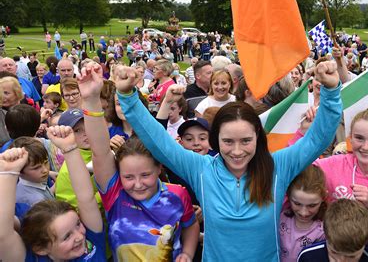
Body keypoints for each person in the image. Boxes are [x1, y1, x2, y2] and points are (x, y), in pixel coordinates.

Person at [113, 60, 342, 261]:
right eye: (228, 141)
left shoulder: (277, 167)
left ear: (258, 139)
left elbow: (318, 140)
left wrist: (331, 91)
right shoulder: (201, 169)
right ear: (215, 141)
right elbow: (158, 142)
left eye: (245, 141)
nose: (237, 151)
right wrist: (128, 97)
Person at [77, 63, 200, 261]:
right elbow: (100, 153)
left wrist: (187, 252)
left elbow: (191, 224)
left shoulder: (178, 194)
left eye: (145, 175)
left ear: (159, 168)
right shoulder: (115, 193)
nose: (137, 184)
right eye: (128, 176)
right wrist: (91, 99)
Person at [0, 126, 106, 261]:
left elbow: (86, 199)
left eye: (78, 224)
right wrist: (8, 173)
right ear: (41, 248)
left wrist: (70, 148)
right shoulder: (35, 259)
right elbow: (3, 234)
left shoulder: (91, 238)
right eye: (67, 236)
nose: (79, 236)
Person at [313, 107, 368, 207]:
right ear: (350, 138)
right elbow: (297, 167)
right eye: (359, 138)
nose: (365, 147)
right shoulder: (335, 165)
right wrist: (304, 132)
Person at [297, 199, 368, 262]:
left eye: (351, 257)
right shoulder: (309, 257)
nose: (341, 260)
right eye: (334, 252)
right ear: (326, 235)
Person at [279, 166, 327, 262]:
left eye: (312, 205)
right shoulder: (280, 217)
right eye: (297, 204)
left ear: (323, 197)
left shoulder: (325, 230)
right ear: (288, 195)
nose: (303, 213)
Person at [11, 136, 54, 207]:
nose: (45, 170)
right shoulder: (37, 201)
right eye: (36, 168)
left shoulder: (34, 180)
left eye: (46, 162)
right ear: (19, 171)